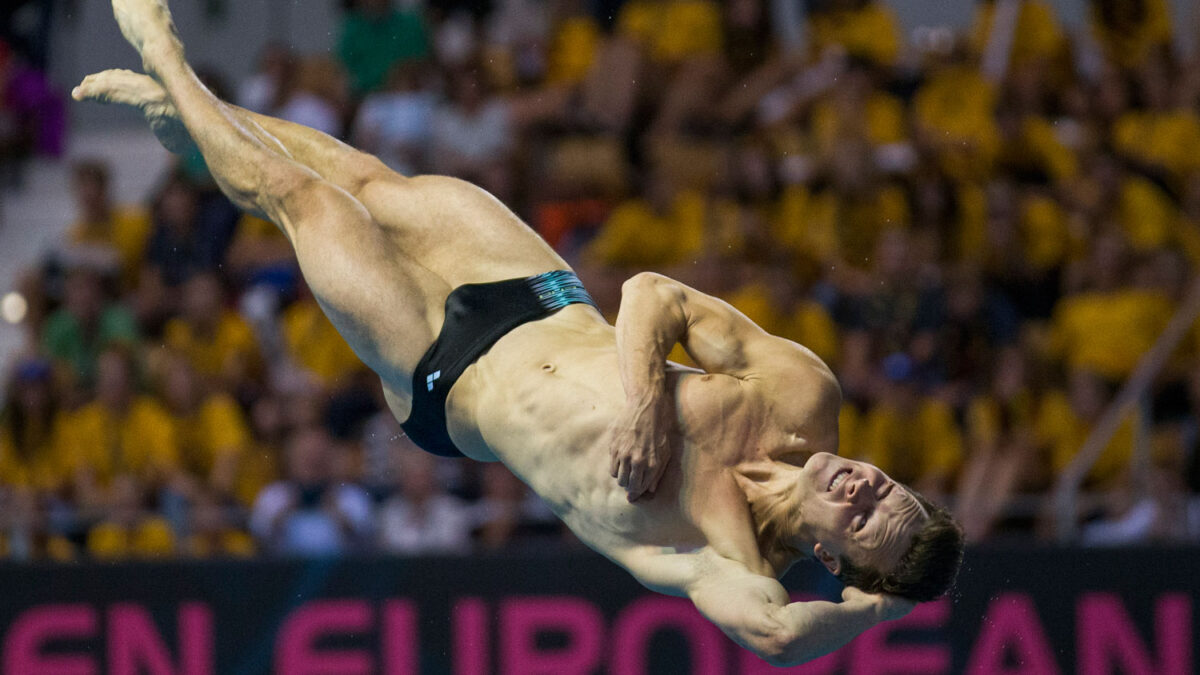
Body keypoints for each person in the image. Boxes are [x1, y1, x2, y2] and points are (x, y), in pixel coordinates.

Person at [74, 0, 962, 664]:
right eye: (888, 488)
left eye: (866, 516)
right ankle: (195, 130)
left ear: (835, 555)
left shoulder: (718, 553)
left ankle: (173, 64)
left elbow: (778, 637)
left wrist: (874, 614)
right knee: (362, 176)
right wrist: (652, 401)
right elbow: (654, 292)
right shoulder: (803, 396)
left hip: (442, 371)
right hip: (537, 290)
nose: (865, 485)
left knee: (299, 198)